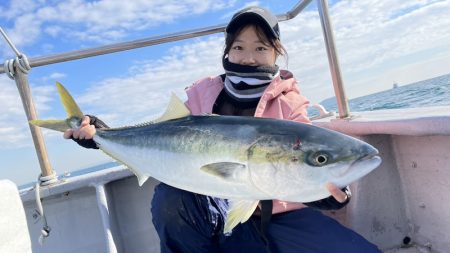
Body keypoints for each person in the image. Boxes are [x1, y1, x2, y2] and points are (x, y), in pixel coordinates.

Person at [64, 6, 381, 253]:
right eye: (239, 47)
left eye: (260, 48)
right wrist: (101, 137)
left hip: (281, 216)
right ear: (227, 51)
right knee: (171, 201)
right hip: (214, 208)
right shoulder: (203, 93)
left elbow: (306, 156)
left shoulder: (290, 104)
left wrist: (326, 195)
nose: (248, 57)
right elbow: (162, 135)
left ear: (276, 53)